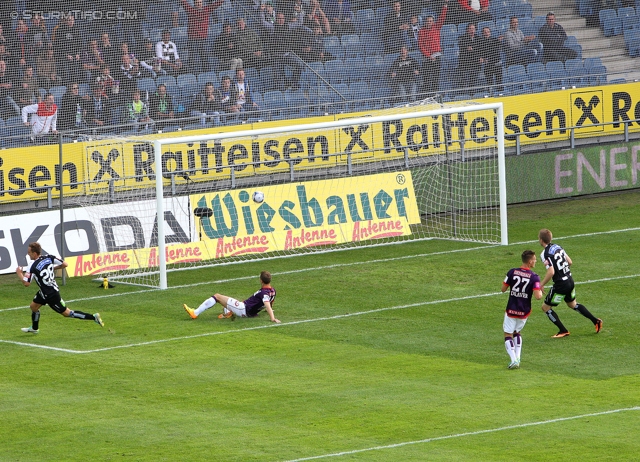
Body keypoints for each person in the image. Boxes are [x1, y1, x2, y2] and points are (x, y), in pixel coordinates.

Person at [16, 242, 104, 334]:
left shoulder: (32, 265)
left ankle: (94, 317)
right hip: (45, 291)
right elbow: (65, 264)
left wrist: (19, 273)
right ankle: (34, 328)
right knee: (33, 307)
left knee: (67, 313)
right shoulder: (49, 257)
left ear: (34, 253)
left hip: (50, 295)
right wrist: (54, 268)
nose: (28, 254)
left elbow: (26, 283)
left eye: (29, 252)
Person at [538, 228, 603, 338]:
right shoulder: (558, 247)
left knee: (546, 307)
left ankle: (563, 330)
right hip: (569, 280)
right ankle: (595, 321)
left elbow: (551, 271)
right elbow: (570, 262)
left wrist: (541, 284)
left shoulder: (544, 253)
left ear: (541, 240)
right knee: (573, 304)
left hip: (560, 285)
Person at [183, 270, 279, 322]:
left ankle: (195, 313)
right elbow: (270, 302)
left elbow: (267, 303)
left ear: (261, 281)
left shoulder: (263, 293)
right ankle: (229, 312)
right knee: (226, 302)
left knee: (217, 297)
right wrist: (268, 309)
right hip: (247, 310)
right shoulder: (272, 291)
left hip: (243, 309)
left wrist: (272, 318)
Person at [501, 250, 543, 369]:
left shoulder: (512, 272)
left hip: (511, 308)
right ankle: (517, 358)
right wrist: (539, 289)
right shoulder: (534, 277)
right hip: (524, 310)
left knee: (508, 334)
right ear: (530, 262)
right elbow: (538, 296)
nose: (535, 261)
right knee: (517, 332)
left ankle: (514, 360)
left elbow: (503, 289)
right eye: (534, 259)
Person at [180, 0, 223, 72]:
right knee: (192, 58)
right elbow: (184, 3)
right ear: (194, 4)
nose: (199, 4)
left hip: (203, 39)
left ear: (202, 3)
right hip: (192, 39)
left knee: (204, 57)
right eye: (197, 2)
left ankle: (207, 73)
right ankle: (193, 73)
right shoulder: (191, 10)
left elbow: (216, 4)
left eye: (200, 2)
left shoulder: (206, 9)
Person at [418, 0, 448, 95]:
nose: (429, 22)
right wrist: (429, 55)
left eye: (431, 21)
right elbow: (420, 45)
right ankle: (427, 97)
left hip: (437, 56)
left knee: (435, 78)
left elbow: (442, 18)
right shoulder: (422, 31)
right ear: (425, 22)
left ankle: (435, 96)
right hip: (427, 57)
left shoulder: (436, 27)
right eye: (428, 21)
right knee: (427, 78)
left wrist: (445, 6)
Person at [477, 25, 503, 92]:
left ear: (490, 33)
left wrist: (499, 41)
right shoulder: (480, 43)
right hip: (488, 65)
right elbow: (481, 53)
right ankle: (490, 93)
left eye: (488, 32)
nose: (486, 33)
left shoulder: (495, 40)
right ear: (482, 34)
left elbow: (497, 51)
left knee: (499, 81)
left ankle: (500, 93)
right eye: (485, 32)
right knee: (489, 82)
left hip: (497, 64)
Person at [456, 22, 481, 90]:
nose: (472, 30)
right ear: (467, 30)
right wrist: (471, 48)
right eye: (470, 29)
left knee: (473, 81)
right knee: (463, 81)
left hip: (475, 63)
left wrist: (472, 48)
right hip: (465, 64)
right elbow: (464, 48)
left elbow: (479, 49)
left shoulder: (479, 38)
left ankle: (472, 94)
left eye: (473, 29)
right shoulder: (462, 38)